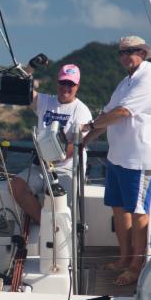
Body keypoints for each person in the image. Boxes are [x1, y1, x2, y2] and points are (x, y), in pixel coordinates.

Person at [82, 36, 151, 285]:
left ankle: (136, 265)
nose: (124, 56)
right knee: (118, 209)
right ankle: (124, 258)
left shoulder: (150, 81)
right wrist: (85, 140)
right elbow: (109, 114)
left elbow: (122, 113)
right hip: (119, 157)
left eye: (130, 51)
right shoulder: (125, 83)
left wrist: (89, 125)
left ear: (143, 53)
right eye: (120, 52)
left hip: (139, 158)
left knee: (139, 212)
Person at [11, 58, 93, 223]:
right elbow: (19, 87)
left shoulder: (82, 111)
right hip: (41, 167)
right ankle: (45, 224)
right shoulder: (45, 101)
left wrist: (52, 157)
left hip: (66, 169)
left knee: (62, 206)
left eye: (71, 84)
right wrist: (31, 67)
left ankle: (60, 232)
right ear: (57, 83)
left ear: (77, 86)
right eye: (63, 82)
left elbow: (77, 145)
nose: (66, 88)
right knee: (16, 186)